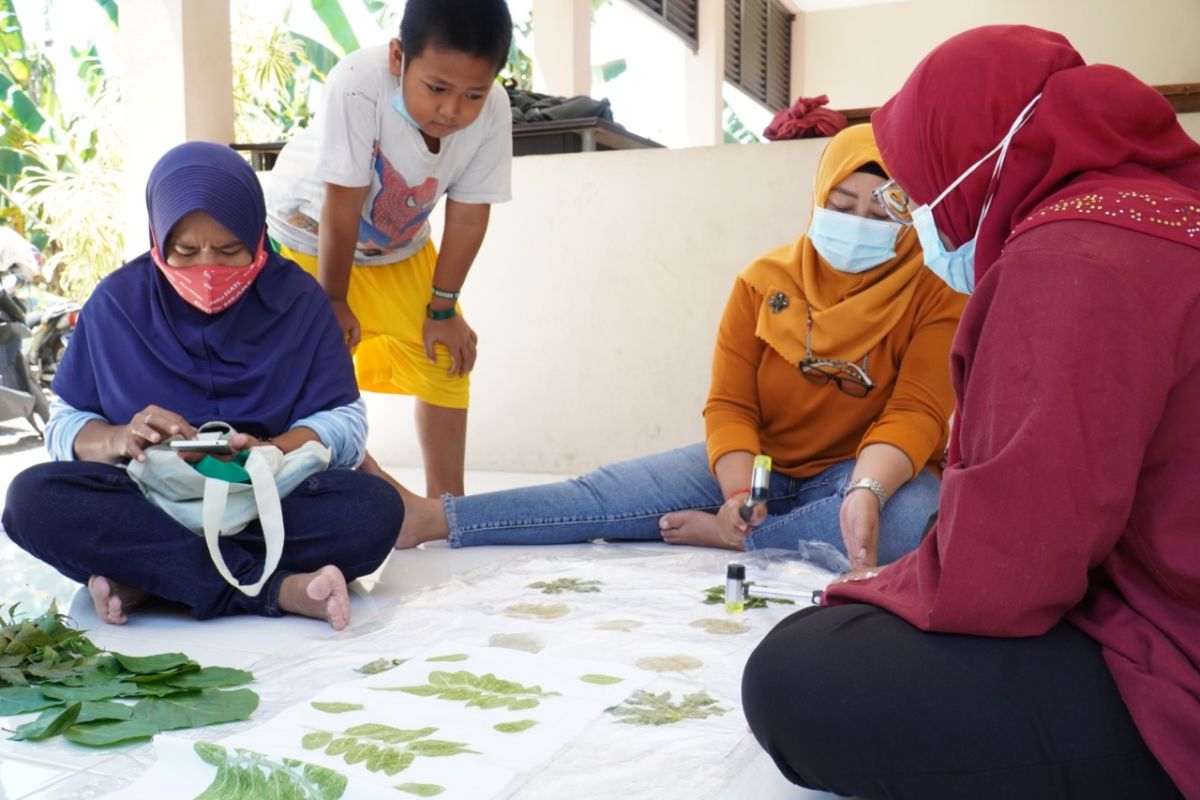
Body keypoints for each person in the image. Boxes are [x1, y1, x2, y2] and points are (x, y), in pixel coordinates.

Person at [742, 25, 1200, 799]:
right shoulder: (1155, 212)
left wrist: (884, 578)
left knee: (799, 670)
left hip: (1172, 641)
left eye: (905, 194)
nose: (900, 216)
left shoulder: (1060, 259)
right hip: (768, 468)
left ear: (971, 162)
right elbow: (729, 400)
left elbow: (1002, 544)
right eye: (847, 201)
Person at [394, 124, 965, 566]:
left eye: (880, 211)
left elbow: (915, 414)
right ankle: (434, 519)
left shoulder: (936, 294)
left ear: (910, 218)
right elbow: (732, 407)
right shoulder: (763, 282)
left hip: (859, 469)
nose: (858, 223)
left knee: (914, 520)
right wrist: (740, 490)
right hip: (759, 457)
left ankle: (740, 540)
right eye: (841, 207)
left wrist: (864, 491)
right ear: (818, 198)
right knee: (600, 495)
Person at [1, 142, 404, 631]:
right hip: (149, 497)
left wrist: (270, 449)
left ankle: (153, 579)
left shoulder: (297, 298)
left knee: (373, 509)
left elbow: (344, 422)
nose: (206, 270)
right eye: (185, 251)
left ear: (257, 237)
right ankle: (276, 590)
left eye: (229, 250)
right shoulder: (117, 303)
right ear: (158, 237)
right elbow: (64, 426)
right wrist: (119, 437)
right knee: (31, 501)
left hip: (265, 496)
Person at [266, 0, 514, 498]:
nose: (452, 110)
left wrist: (443, 308)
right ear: (399, 58)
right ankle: (349, 491)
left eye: (472, 94)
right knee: (312, 363)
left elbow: (467, 214)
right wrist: (332, 301)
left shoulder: (493, 112)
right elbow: (343, 202)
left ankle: (447, 506)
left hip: (397, 246)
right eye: (437, 88)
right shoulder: (359, 82)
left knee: (446, 356)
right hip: (308, 238)